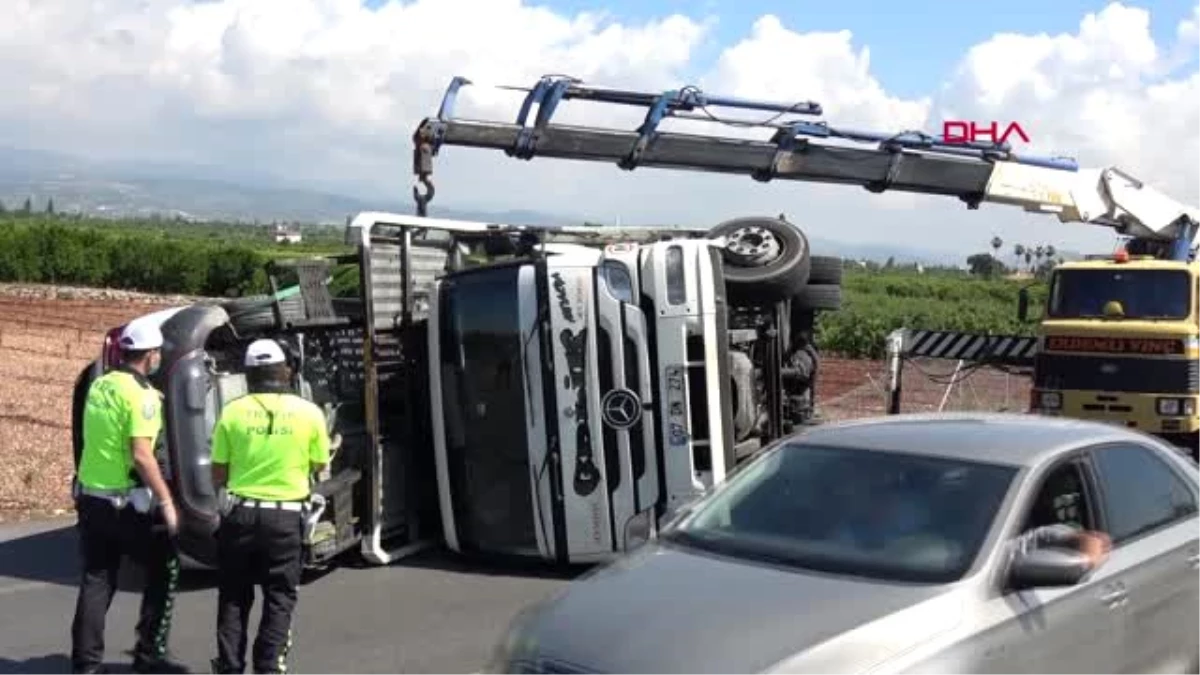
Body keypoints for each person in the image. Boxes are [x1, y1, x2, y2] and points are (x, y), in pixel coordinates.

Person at [210, 339, 330, 675]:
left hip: (240, 514)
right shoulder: (309, 413)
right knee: (279, 596)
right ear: (287, 371)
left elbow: (218, 470)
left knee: (234, 596)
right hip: (286, 517)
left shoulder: (231, 411)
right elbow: (319, 465)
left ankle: (229, 667)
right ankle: (269, 667)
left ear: (249, 374)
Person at [70, 319, 182, 675]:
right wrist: (166, 501)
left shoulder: (100, 385)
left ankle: (86, 665)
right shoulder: (144, 397)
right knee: (165, 567)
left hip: (91, 498)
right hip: (125, 505)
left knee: (97, 579)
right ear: (150, 355)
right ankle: (149, 654)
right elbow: (142, 455)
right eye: (157, 354)